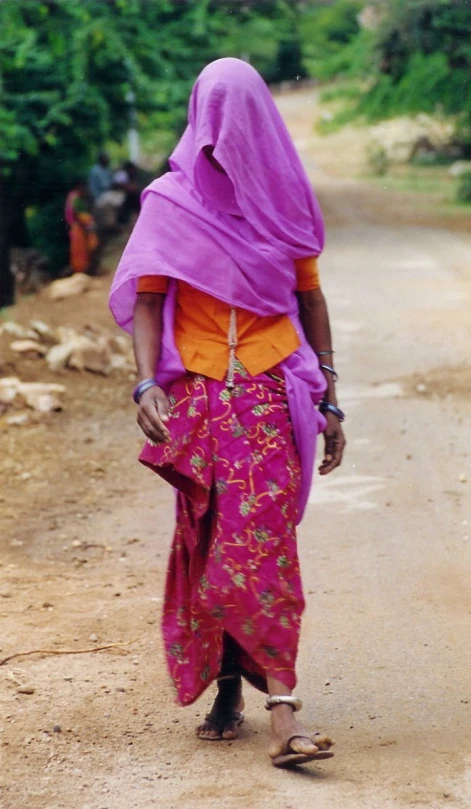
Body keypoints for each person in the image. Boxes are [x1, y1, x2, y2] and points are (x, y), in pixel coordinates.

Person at [109, 58, 346, 768]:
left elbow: (310, 296)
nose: (225, 135)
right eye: (215, 119)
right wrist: (146, 382)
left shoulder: (285, 199)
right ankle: (227, 687)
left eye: (238, 119)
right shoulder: (171, 200)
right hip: (200, 401)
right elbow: (148, 300)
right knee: (210, 544)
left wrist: (331, 392)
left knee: (263, 548)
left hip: (274, 397)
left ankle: (283, 710)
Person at [64, 179, 98, 274]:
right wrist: (87, 224)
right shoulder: (75, 198)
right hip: (78, 228)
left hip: (77, 227)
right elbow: (77, 214)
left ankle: (83, 270)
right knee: (80, 251)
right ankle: (81, 271)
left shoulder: (73, 197)